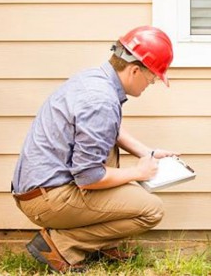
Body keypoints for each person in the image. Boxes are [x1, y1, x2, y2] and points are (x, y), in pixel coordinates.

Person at [11, 26, 178, 273]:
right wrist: (139, 173)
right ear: (134, 70)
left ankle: (96, 244)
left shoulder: (95, 79)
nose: (151, 83)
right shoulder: (100, 101)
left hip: (42, 189)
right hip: (48, 199)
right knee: (151, 210)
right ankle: (61, 246)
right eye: (152, 78)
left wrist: (147, 153)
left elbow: (108, 131)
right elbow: (89, 177)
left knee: (113, 166)